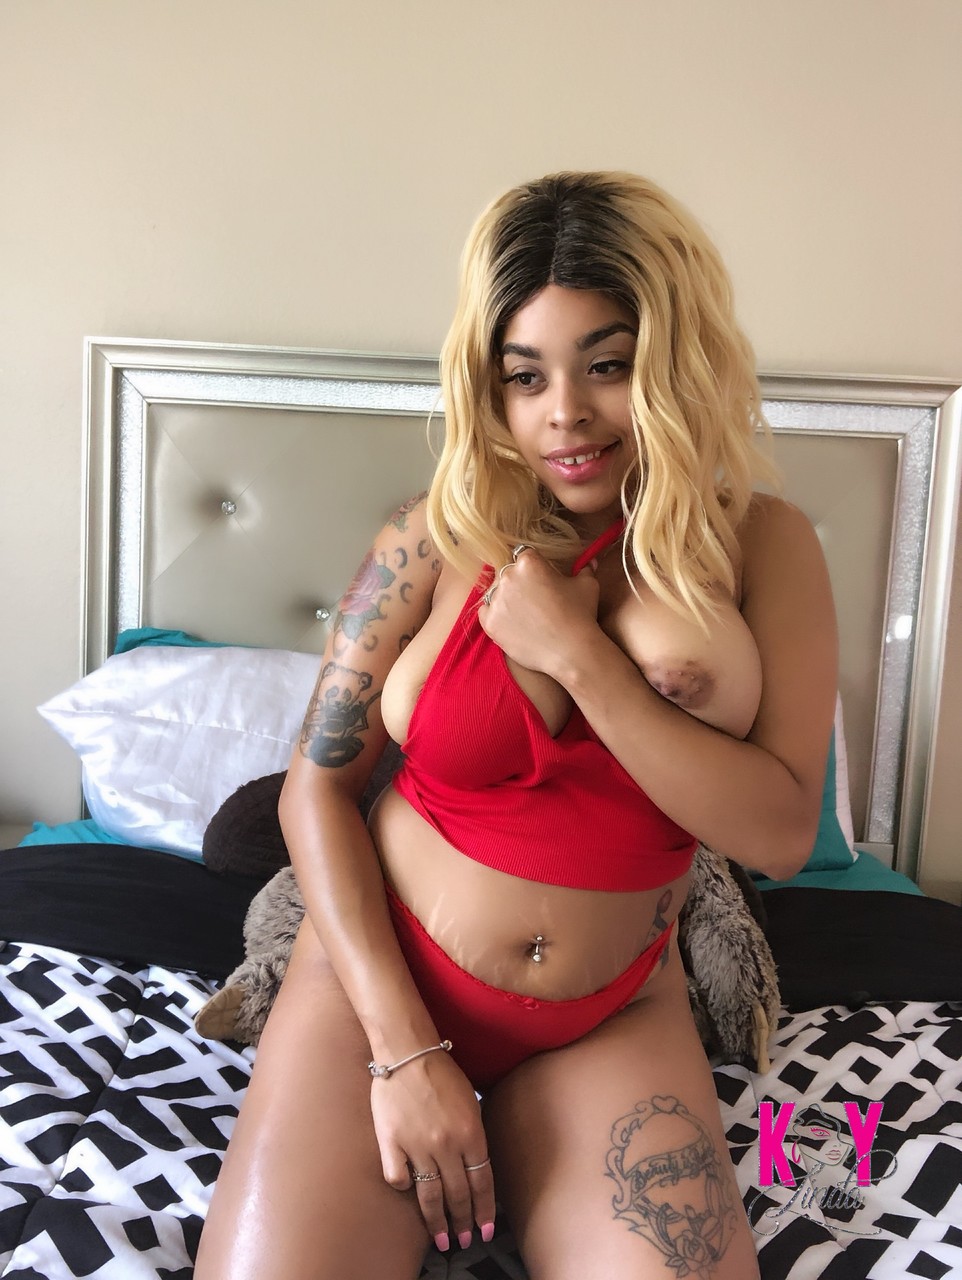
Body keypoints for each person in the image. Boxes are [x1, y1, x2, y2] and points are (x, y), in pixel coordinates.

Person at [194, 171, 837, 1280]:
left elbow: (779, 832)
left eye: (607, 365)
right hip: (377, 991)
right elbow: (316, 789)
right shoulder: (426, 539)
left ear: (675, 363)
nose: (563, 413)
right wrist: (404, 1054)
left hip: (607, 1014)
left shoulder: (763, 545)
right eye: (523, 376)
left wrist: (581, 657)